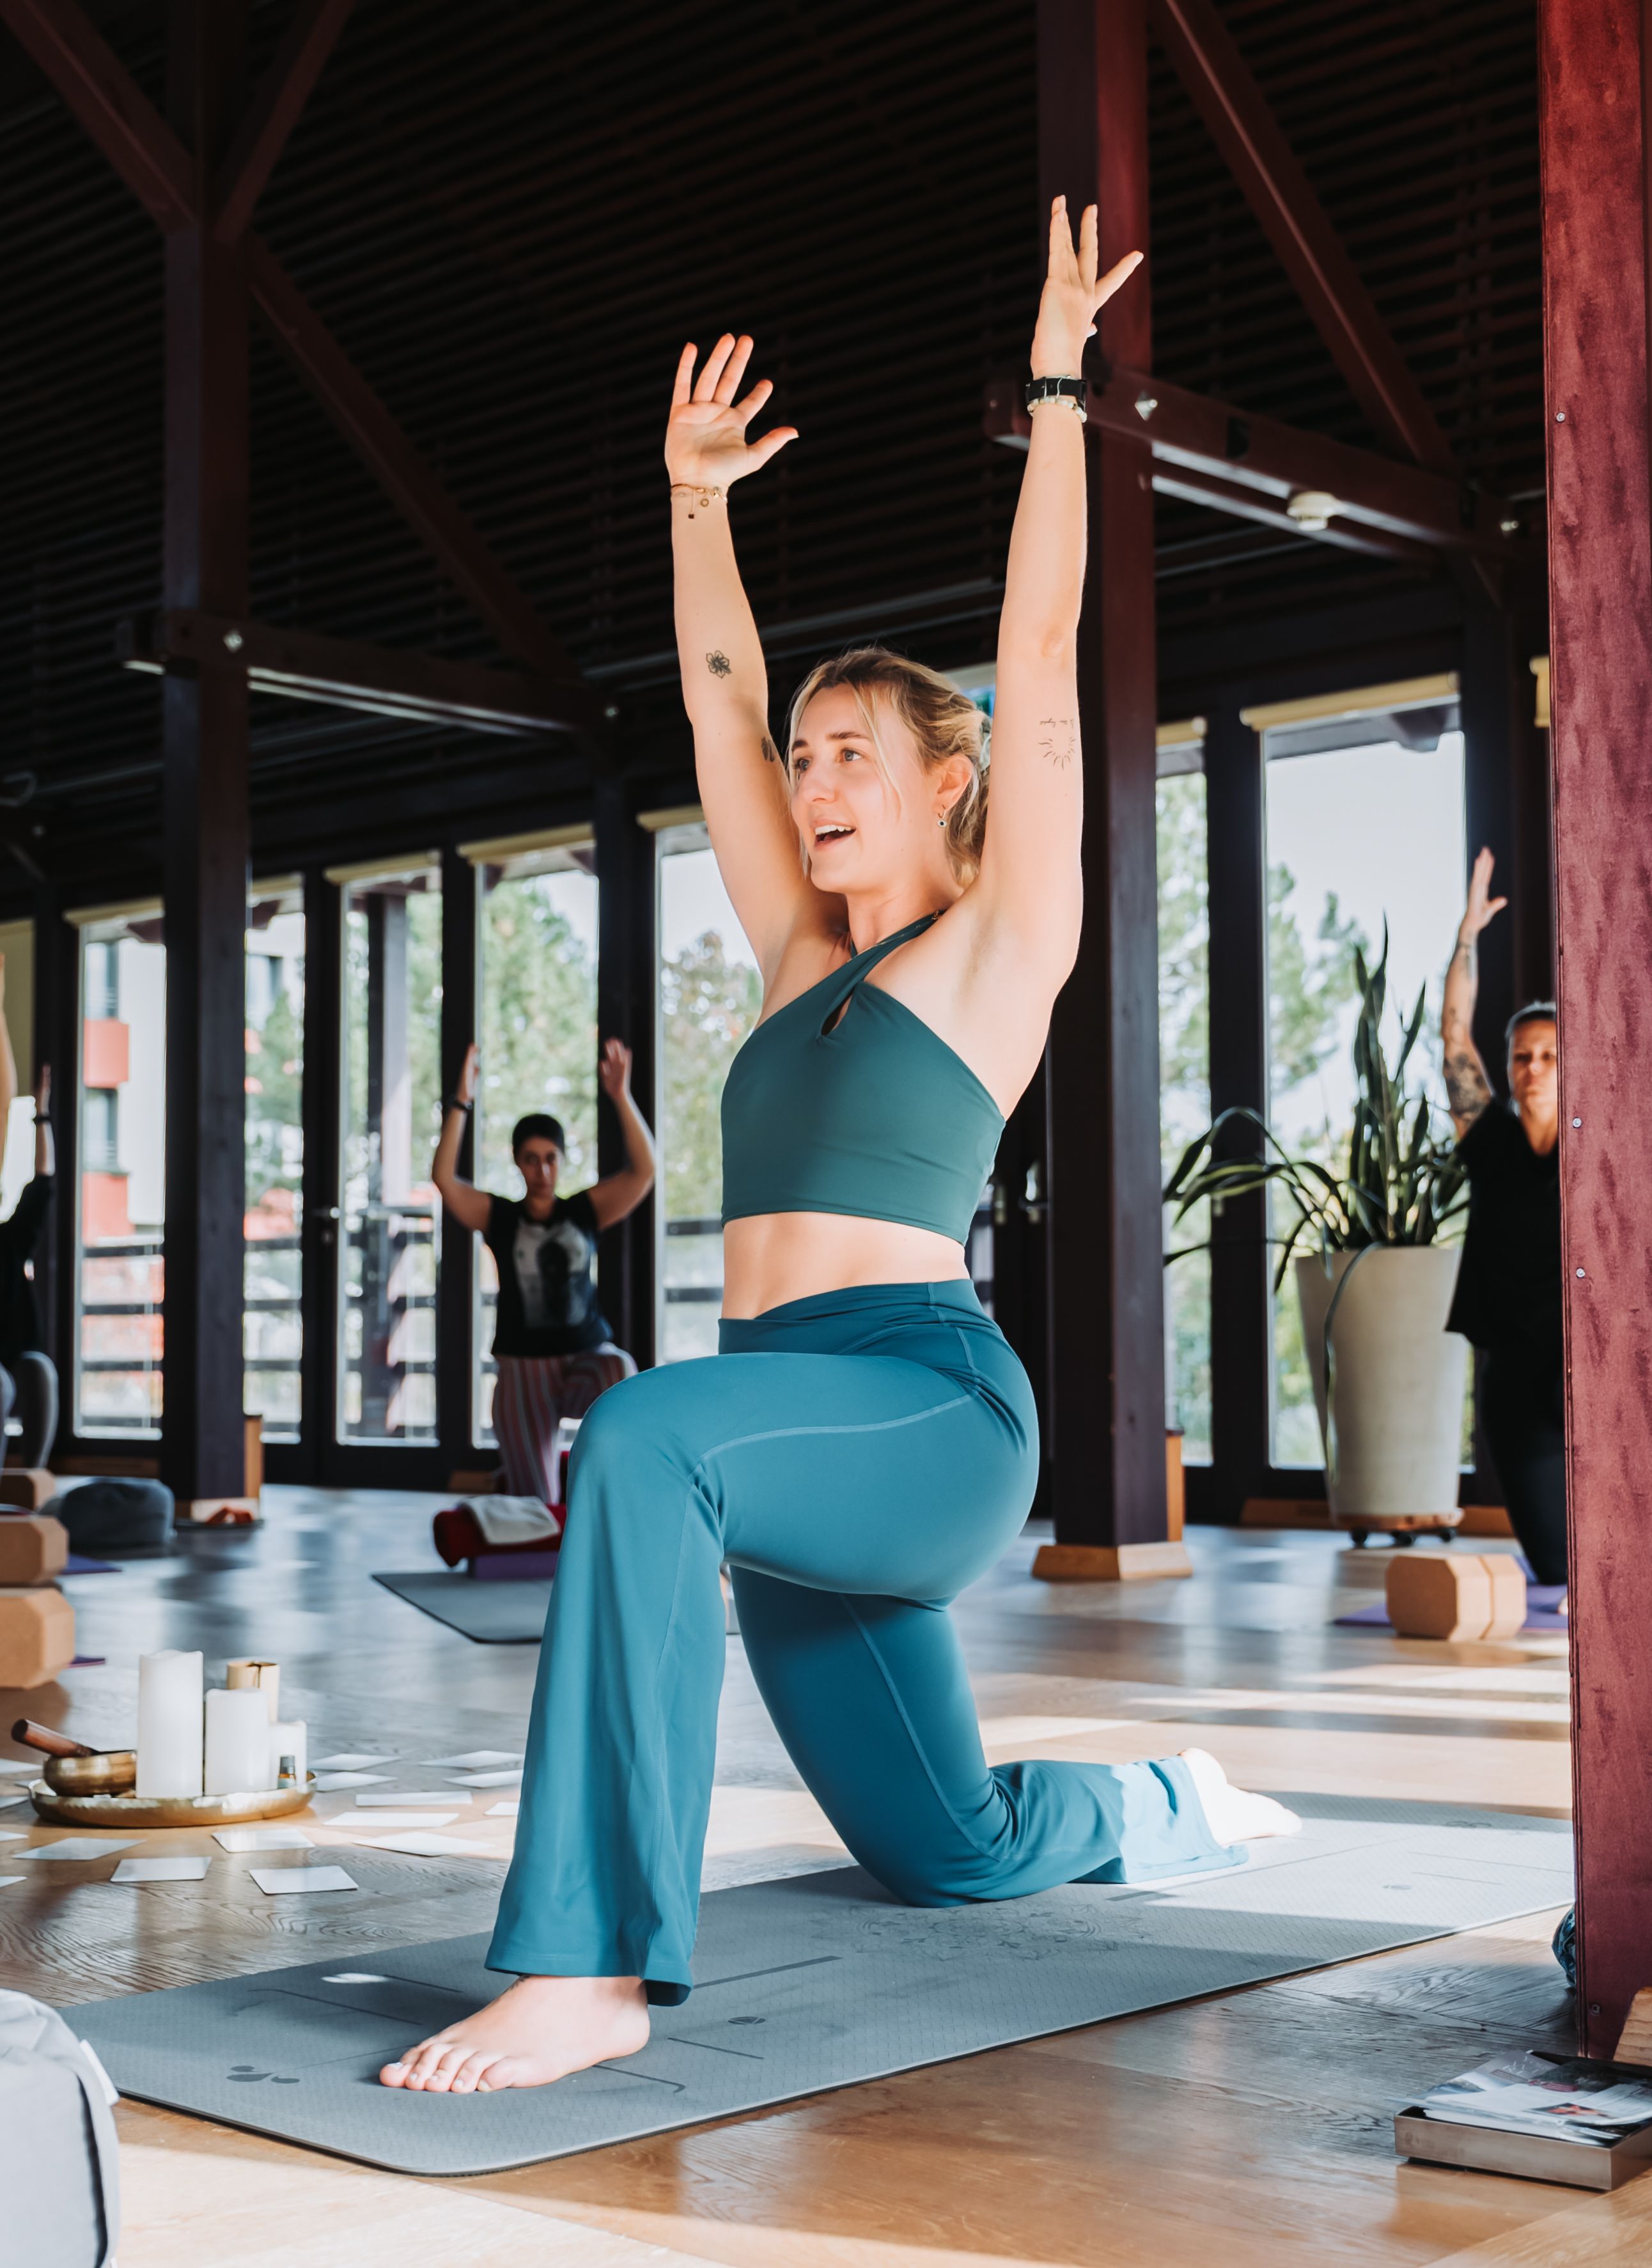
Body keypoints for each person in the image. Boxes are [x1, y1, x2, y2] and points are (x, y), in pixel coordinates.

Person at [382, 199, 1298, 2099]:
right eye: (805, 758)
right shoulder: (799, 953)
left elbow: (1040, 642)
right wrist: (692, 499)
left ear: (948, 776)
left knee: (636, 1434)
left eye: (849, 753)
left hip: (922, 1410)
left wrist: (1059, 390)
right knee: (944, 1846)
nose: (808, 781)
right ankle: (1160, 1800)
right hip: (782, 1419)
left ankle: (588, 1965)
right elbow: (716, 697)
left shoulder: (998, 941)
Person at [432, 1037, 655, 1503]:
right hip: (523, 1373)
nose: (542, 1170)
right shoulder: (500, 1217)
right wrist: (461, 1101)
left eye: (551, 1158)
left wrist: (620, 1095)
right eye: (531, 1159)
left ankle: (604, 1483)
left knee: (621, 1367)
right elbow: (444, 1180)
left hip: (583, 1363)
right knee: (536, 1504)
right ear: (518, 1162)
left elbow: (644, 1171)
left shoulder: (584, 1211)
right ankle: (517, 1479)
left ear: (562, 1160)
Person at [1442, 848, 1565, 1596]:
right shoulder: (1488, 1141)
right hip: (1515, 1381)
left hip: (1588, 1373)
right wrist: (1468, 933)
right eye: (1523, 1055)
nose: (1533, 1067)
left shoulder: (1599, 1155)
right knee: (1557, 1567)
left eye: (1550, 1054)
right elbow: (1455, 1034)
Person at [0, 1060, 58, 1467]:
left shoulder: (8, 1240)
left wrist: (42, 1114)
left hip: (14, 1353)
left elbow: (43, 1181)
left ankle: (32, 1478)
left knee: (39, 1371)